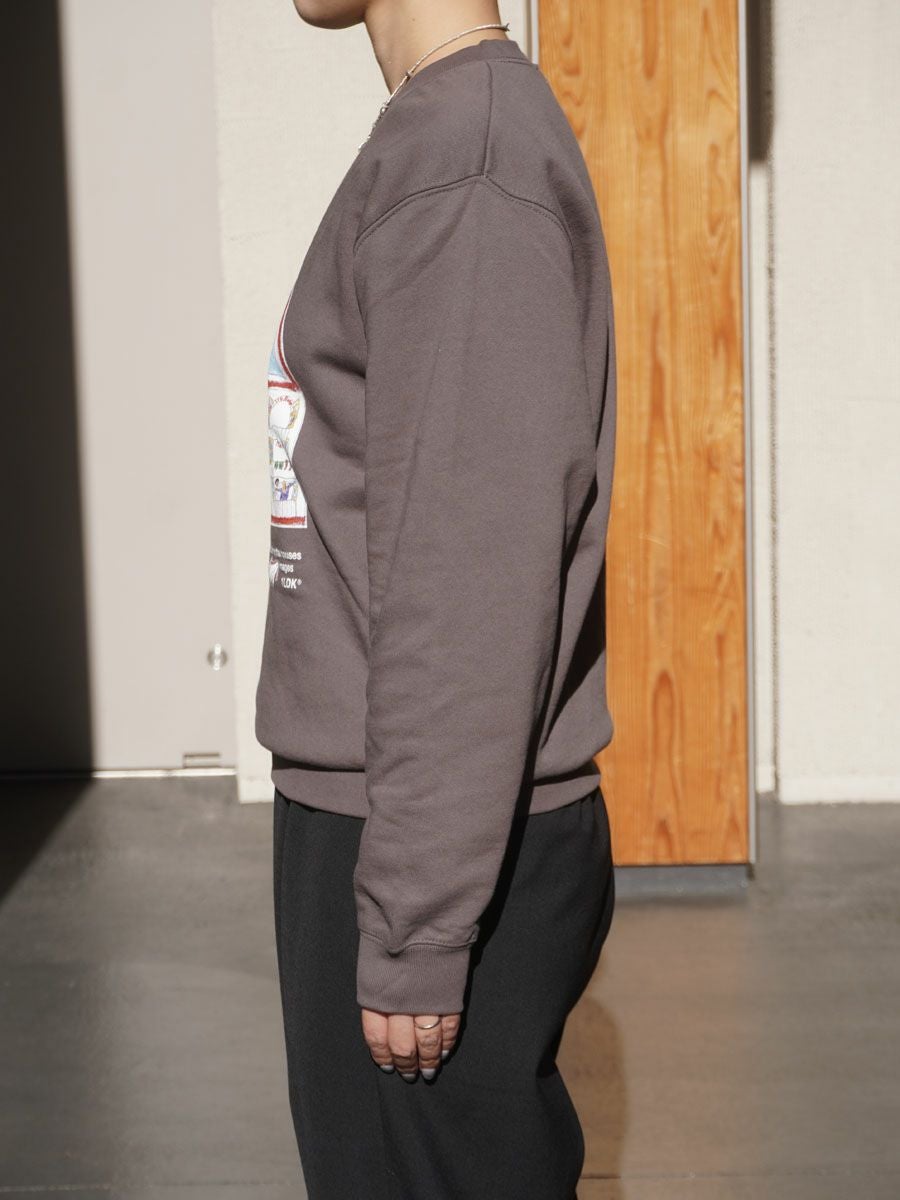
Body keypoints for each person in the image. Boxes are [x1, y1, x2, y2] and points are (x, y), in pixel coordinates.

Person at [255, 2, 618, 1196]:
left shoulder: (467, 162)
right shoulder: (446, 138)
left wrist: (416, 927)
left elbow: (468, 577)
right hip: (402, 818)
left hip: (423, 836)